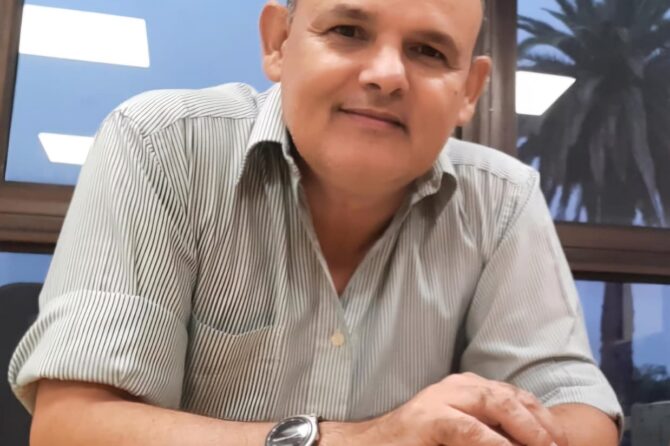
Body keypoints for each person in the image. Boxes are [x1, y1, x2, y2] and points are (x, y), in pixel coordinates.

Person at [9, 0, 622, 445]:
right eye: (348, 31)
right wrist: (369, 440)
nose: (387, 74)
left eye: (429, 51)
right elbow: (72, 428)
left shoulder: (504, 198)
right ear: (278, 42)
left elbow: (579, 412)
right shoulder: (160, 144)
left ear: (470, 89)